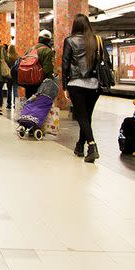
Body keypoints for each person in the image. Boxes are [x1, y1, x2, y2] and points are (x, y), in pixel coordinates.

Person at [62, 14, 104, 163]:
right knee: (86, 116)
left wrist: (64, 85)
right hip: (94, 85)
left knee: (82, 116)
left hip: (76, 84)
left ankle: (92, 146)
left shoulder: (69, 41)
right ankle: (80, 146)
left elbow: (65, 64)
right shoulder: (96, 40)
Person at [22, 30, 55, 98]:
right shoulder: (48, 51)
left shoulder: (30, 49)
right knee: (38, 104)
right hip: (39, 82)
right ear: (49, 40)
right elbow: (47, 70)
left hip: (27, 80)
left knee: (29, 102)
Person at [5, 44, 19, 110]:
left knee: (9, 90)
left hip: (9, 75)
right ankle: (15, 104)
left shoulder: (7, 57)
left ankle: (8, 104)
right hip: (16, 75)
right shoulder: (17, 56)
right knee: (15, 90)